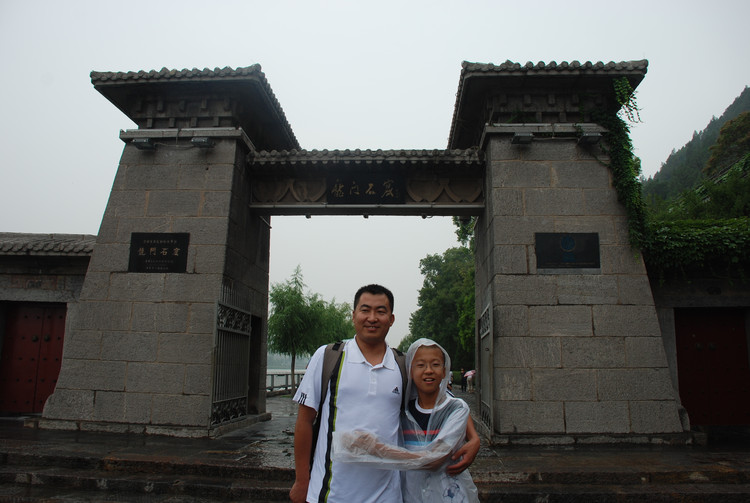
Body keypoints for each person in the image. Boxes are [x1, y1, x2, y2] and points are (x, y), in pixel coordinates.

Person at [290, 284, 479, 503]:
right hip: (331, 492)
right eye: (365, 310)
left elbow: (438, 400)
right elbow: (304, 421)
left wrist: (474, 438)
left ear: (391, 319)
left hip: (388, 495)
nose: (372, 317)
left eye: (381, 311)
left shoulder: (401, 365)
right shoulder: (328, 357)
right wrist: (302, 480)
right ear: (353, 316)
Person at [333, 338, 479, 502]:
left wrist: (375, 449)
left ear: (445, 371)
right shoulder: (404, 411)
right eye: (420, 365)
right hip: (412, 497)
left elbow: (435, 459)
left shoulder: (456, 409)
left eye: (436, 364)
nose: (428, 370)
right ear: (409, 371)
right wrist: (349, 442)